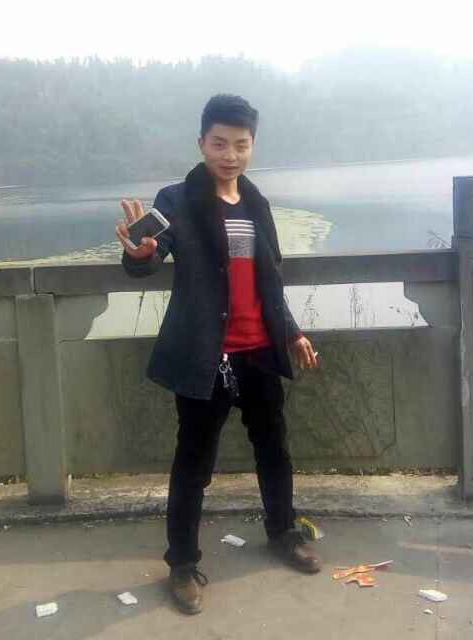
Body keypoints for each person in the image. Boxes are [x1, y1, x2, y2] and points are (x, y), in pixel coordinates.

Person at [116, 94, 321, 616]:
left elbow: (269, 281)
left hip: (259, 352)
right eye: (220, 144)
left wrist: (292, 332)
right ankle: (182, 564)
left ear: (252, 146)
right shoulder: (177, 199)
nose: (230, 155)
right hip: (205, 356)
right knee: (193, 465)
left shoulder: (256, 203)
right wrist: (139, 255)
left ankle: (283, 531)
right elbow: (148, 255)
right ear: (202, 143)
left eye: (241, 145)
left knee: (274, 450)